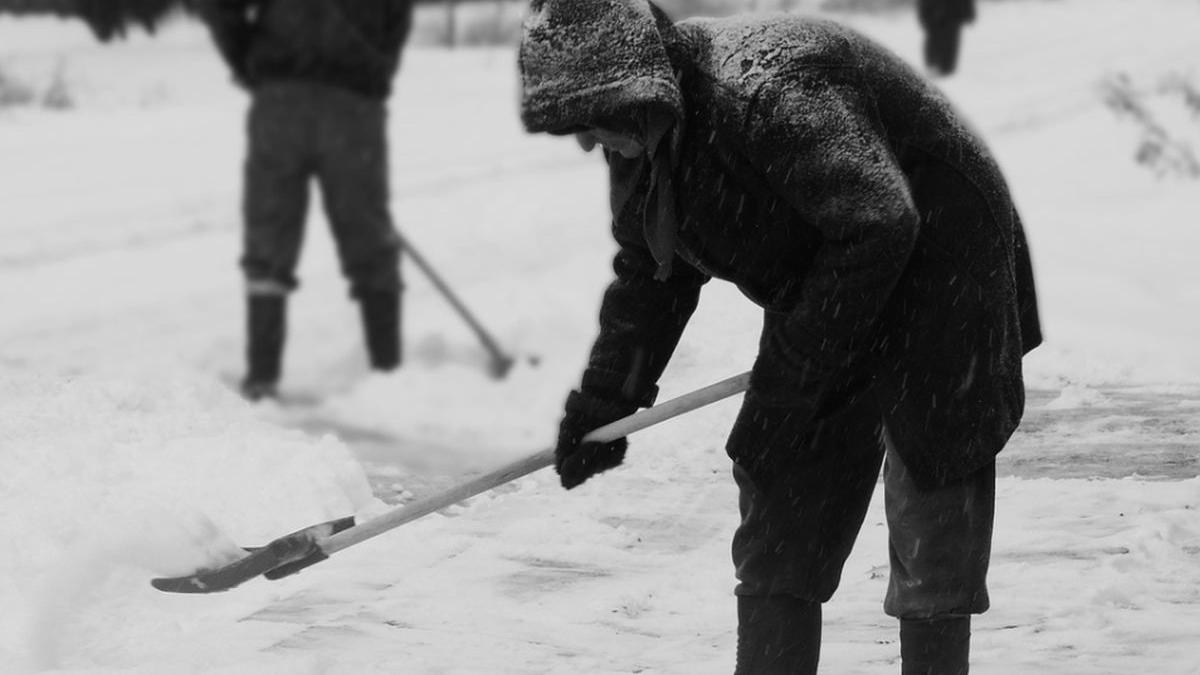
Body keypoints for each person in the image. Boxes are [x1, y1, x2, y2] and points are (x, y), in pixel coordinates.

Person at [518, 1, 1041, 673]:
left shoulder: (769, 95)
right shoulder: (645, 141)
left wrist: (787, 383)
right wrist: (604, 401)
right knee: (781, 500)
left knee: (931, 509)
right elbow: (652, 275)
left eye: (588, 123)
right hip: (835, 280)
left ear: (628, 92)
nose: (587, 144)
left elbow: (878, 223)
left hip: (944, 267)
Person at [197, 0, 415, 400]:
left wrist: (247, 61)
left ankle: (263, 379)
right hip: (350, 101)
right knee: (366, 236)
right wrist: (375, 66)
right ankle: (388, 376)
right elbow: (396, 16)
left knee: (269, 236)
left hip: (285, 97)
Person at [918, 0, 976, 76]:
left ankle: (946, 67)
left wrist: (969, 13)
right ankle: (933, 64)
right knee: (935, 40)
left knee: (950, 42)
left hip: (952, 15)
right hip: (935, 14)